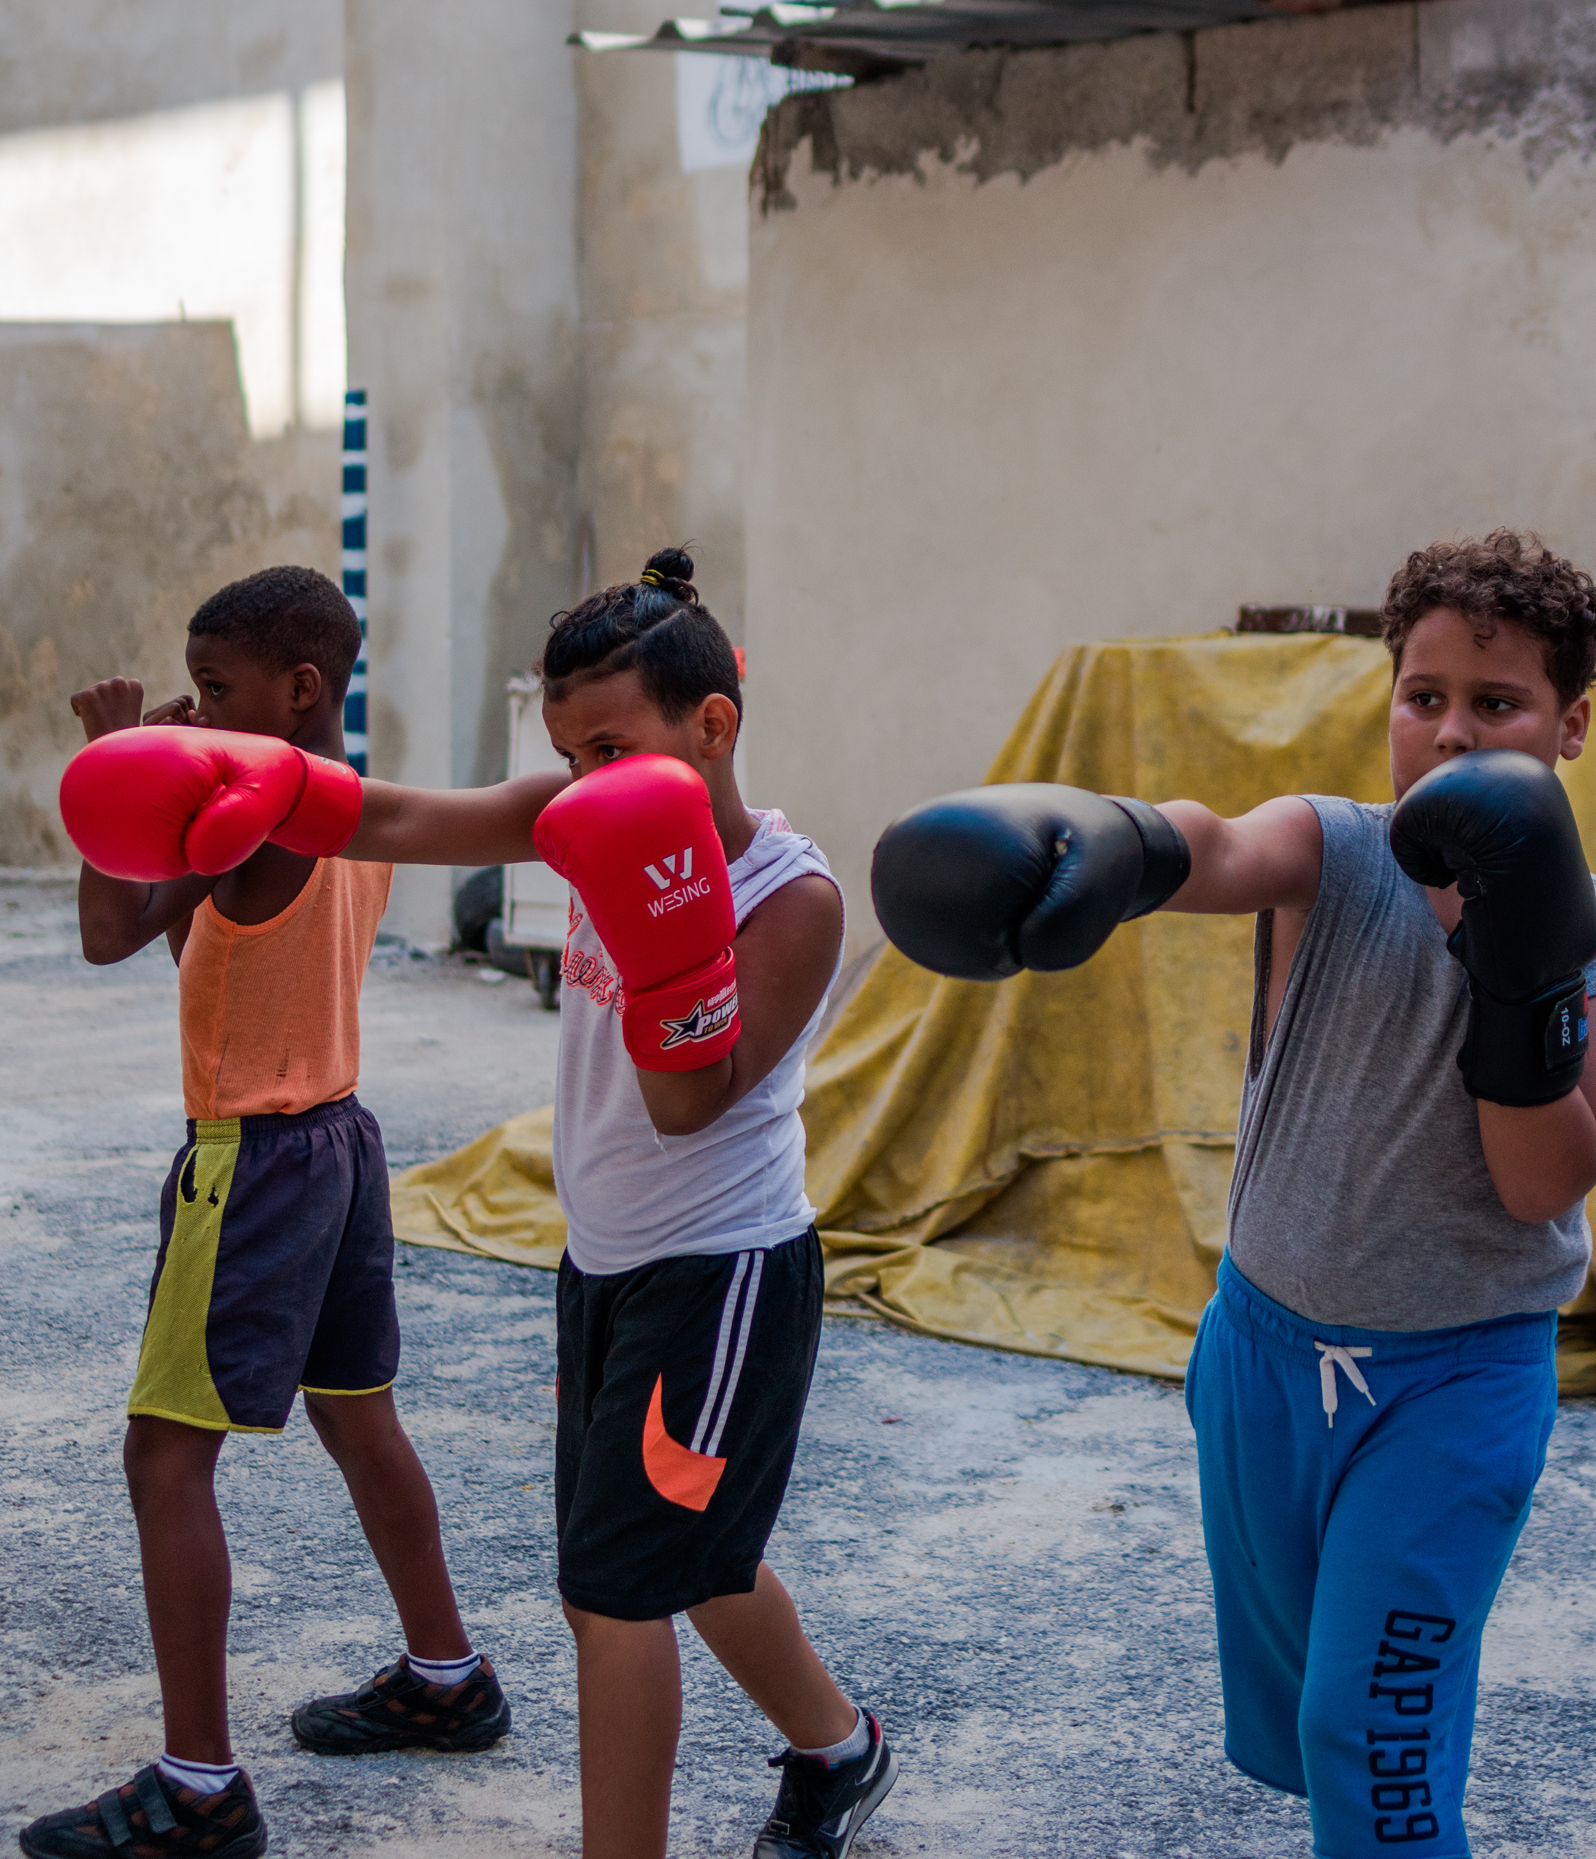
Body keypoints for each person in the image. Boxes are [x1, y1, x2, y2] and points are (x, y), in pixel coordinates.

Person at [54, 549, 899, 1859]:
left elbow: (688, 1104)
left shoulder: (792, 902)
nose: (581, 785)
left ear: (711, 724)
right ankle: (839, 1750)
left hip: (721, 1279)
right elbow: (391, 821)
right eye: (566, 756)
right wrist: (258, 779)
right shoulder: (576, 810)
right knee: (697, 1566)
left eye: (607, 749)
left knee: (617, 1595)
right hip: (605, 1269)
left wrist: (660, 905)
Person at [870, 529, 1596, 1858]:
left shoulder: (1581, 935)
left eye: (1497, 705)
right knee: (1316, 1736)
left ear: (1573, 724)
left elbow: (1539, 1175)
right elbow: (1217, 846)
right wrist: (1105, 841)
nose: (1448, 733)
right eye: (1423, 697)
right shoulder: (1337, 851)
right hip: (1262, 1361)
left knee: (1366, 1741)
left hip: (1453, 1390)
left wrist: (1520, 978)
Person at [24, 567, 508, 1859]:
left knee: (164, 1459)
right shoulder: (335, 797)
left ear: (300, 691)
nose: (196, 708)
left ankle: (197, 1790)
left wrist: (118, 760)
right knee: (362, 1422)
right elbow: (201, 936)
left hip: (251, 1158)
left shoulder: (261, 820)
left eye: (218, 691)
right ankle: (448, 1677)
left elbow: (112, 930)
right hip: (341, 1140)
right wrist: (186, 757)